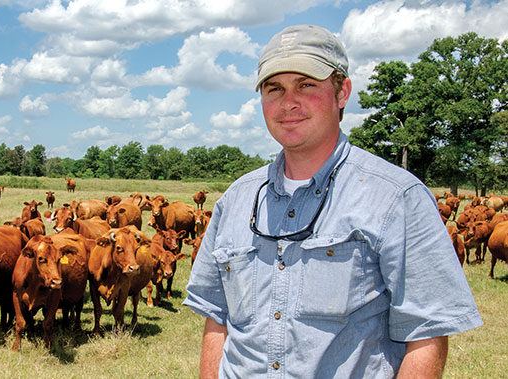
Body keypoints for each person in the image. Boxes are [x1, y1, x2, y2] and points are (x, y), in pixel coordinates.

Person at [183, 24, 482, 378]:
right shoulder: (236, 200)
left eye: (306, 84)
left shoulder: (396, 198)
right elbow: (218, 320)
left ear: (343, 93)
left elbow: (427, 336)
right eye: (273, 88)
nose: (287, 101)